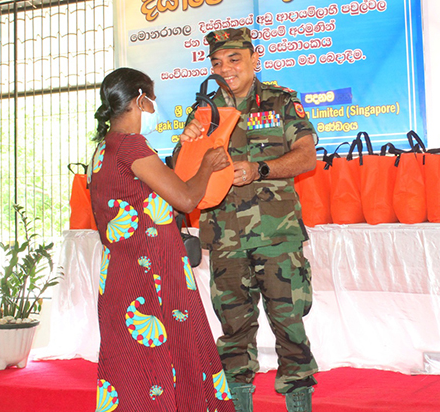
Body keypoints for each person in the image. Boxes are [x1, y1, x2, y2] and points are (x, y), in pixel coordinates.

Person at [173, 27, 318, 412]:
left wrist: (261, 168)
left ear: (255, 60)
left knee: (291, 330)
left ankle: (299, 403)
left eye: (234, 60)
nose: (226, 69)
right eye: (217, 63)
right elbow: (180, 173)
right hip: (224, 240)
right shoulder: (203, 112)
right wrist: (187, 142)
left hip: (276, 237)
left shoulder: (281, 100)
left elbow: (307, 157)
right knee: (233, 335)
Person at [88, 67, 235, 412]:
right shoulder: (132, 146)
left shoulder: (104, 149)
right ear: (140, 100)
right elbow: (184, 199)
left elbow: (145, 197)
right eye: (151, 100)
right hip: (152, 277)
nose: (154, 108)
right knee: (164, 363)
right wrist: (207, 166)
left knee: (132, 369)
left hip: (121, 278)